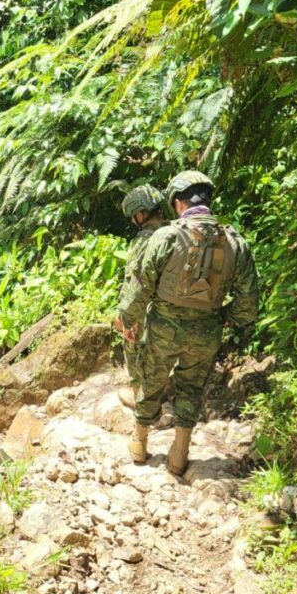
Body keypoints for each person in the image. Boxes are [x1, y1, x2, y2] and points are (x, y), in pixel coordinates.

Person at [116, 170, 259, 475]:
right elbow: (248, 306)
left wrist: (128, 321)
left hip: (164, 327)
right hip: (207, 330)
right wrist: (221, 317)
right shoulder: (236, 242)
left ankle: (140, 444)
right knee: (191, 388)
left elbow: (140, 286)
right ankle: (179, 454)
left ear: (178, 204)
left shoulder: (165, 236)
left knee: (151, 381)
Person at [114, 184, 168, 410]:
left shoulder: (145, 239)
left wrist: (125, 316)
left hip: (148, 308)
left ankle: (140, 396)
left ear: (141, 214)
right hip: (175, 310)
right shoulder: (176, 233)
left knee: (133, 346)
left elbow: (135, 281)